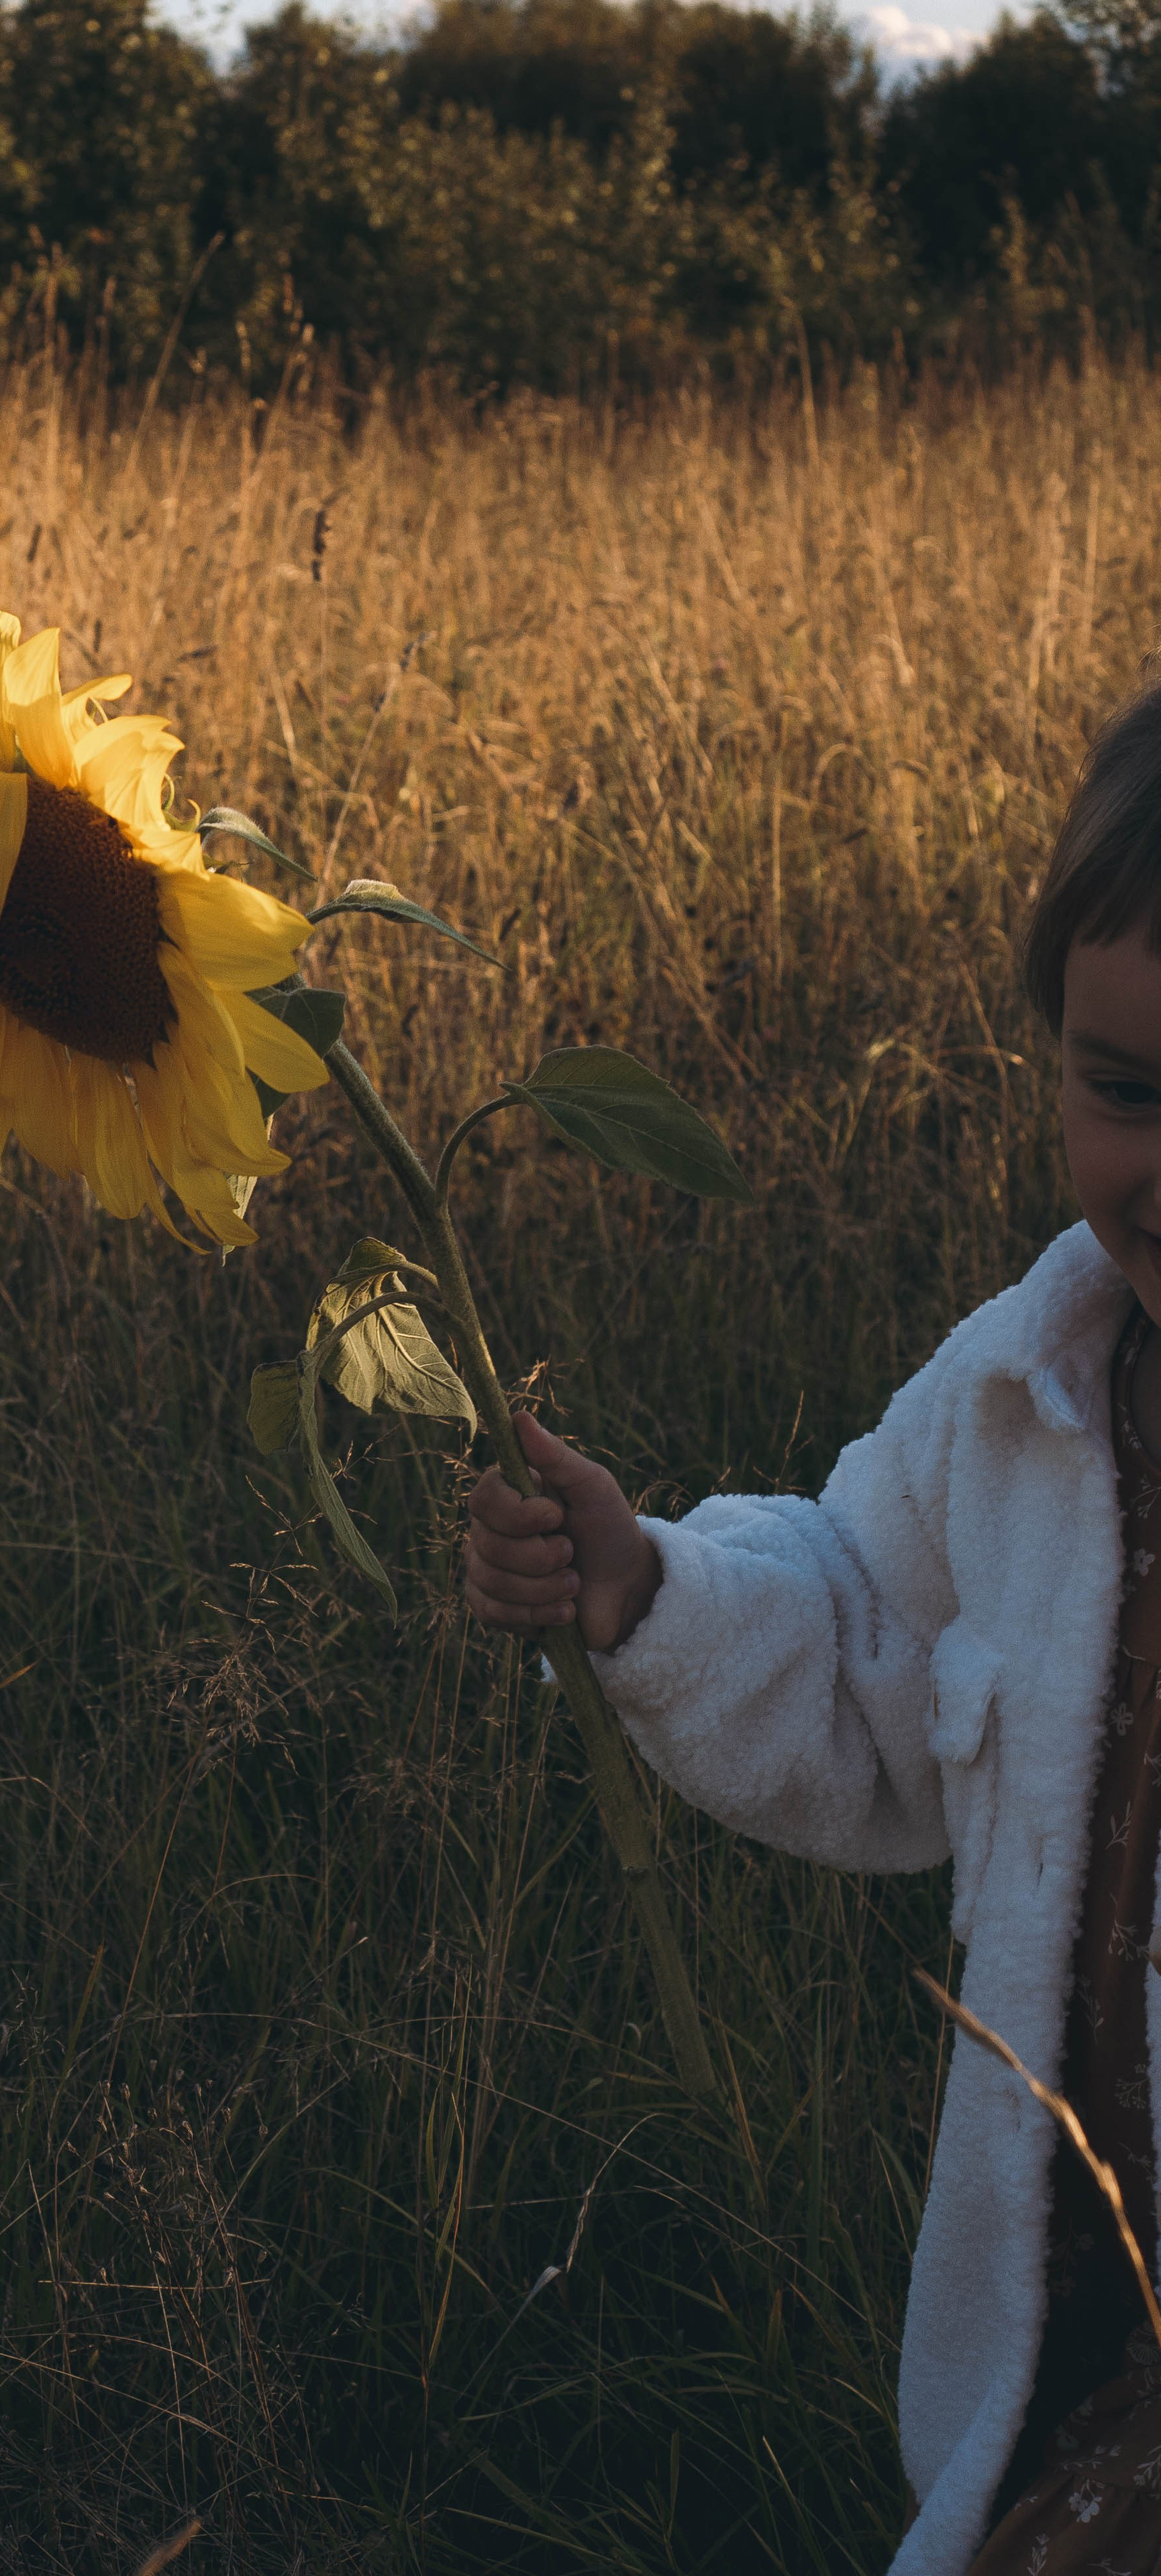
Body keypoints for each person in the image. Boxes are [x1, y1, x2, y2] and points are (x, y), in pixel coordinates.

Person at [464, 685, 1161, 2576]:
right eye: (1124, 1091)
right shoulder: (1022, 1409)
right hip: (1079, 2370)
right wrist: (646, 1589)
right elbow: (862, 1633)